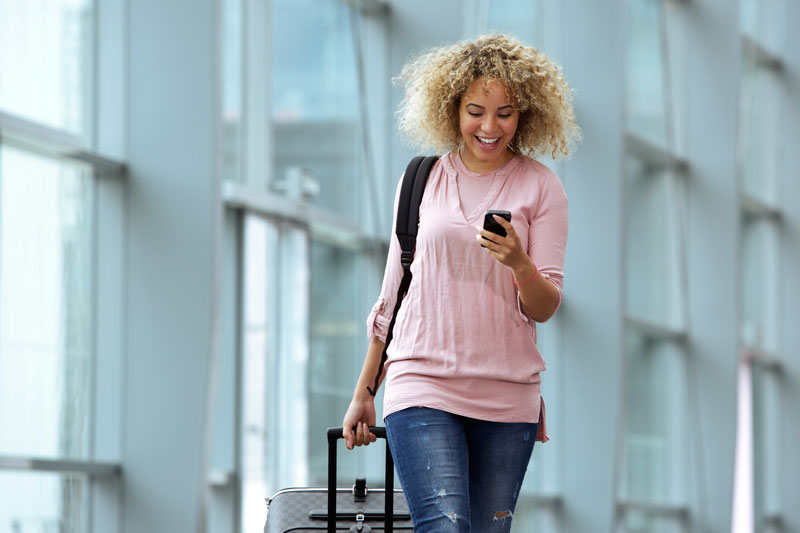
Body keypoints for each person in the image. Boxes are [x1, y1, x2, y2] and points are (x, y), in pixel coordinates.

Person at [341, 34, 580, 532]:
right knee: (444, 526)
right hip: (421, 382)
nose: (490, 127)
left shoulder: (542, 187)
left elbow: (544, 305)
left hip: (507, 395)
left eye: (505, 113)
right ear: (451, 108)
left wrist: (518, 262)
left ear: (526, 114)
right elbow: (394, 292)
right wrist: (365, 390)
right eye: (476, 111)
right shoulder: (420, 180)